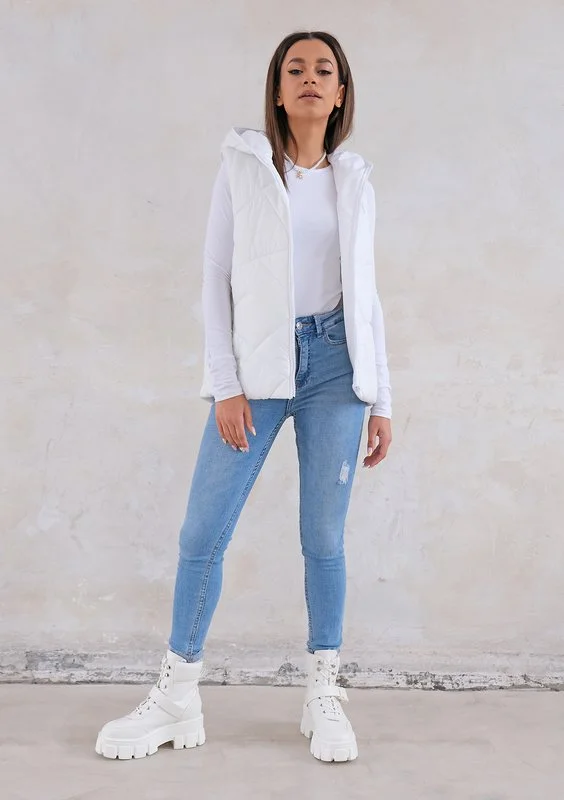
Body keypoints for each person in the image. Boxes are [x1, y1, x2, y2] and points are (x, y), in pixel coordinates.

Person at [96, 29, 392, 764]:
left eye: (324, 70)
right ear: (278, 90)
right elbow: (214, 275)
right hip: (257, 370)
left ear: (341, 92)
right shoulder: (243, 166)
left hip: (337, 368)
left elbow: (367, 295)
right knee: (203, 533)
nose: (310, 78)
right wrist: (225, 383)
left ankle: (323, 692)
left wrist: (381, 396)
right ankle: (177, 694)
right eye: (296, 69)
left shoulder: (355, 181)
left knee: (324, 539)